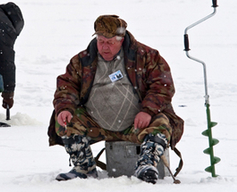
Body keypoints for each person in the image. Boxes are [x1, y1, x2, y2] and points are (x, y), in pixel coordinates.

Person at [47, 15, 184, 183]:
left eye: (109, 42)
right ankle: (84, 168)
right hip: (96, 124)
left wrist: (147, 111)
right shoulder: (82, 60)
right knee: (64, 118)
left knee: (161, 122)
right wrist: (65, 107)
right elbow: (66, 86)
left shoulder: (146, 56)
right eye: (100, 41)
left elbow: (163, 86)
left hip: (136, 124)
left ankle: (147, 164)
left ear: (121, 39)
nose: (104, 47)